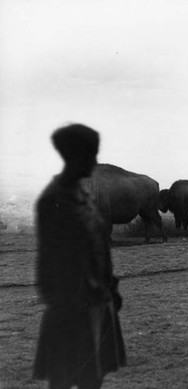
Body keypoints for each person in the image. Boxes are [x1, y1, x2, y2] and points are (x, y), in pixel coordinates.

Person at [33, 124, 126, 389]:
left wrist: (110, 288)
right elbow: (48, 265)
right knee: (64, 378)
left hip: (96, 303)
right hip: (73, 310)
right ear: (73, 156)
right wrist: (68, 306)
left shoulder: (82, 196)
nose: (95, 161)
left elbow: (98, 247)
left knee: (92, 378)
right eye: (90, 154)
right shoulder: (54, 201)